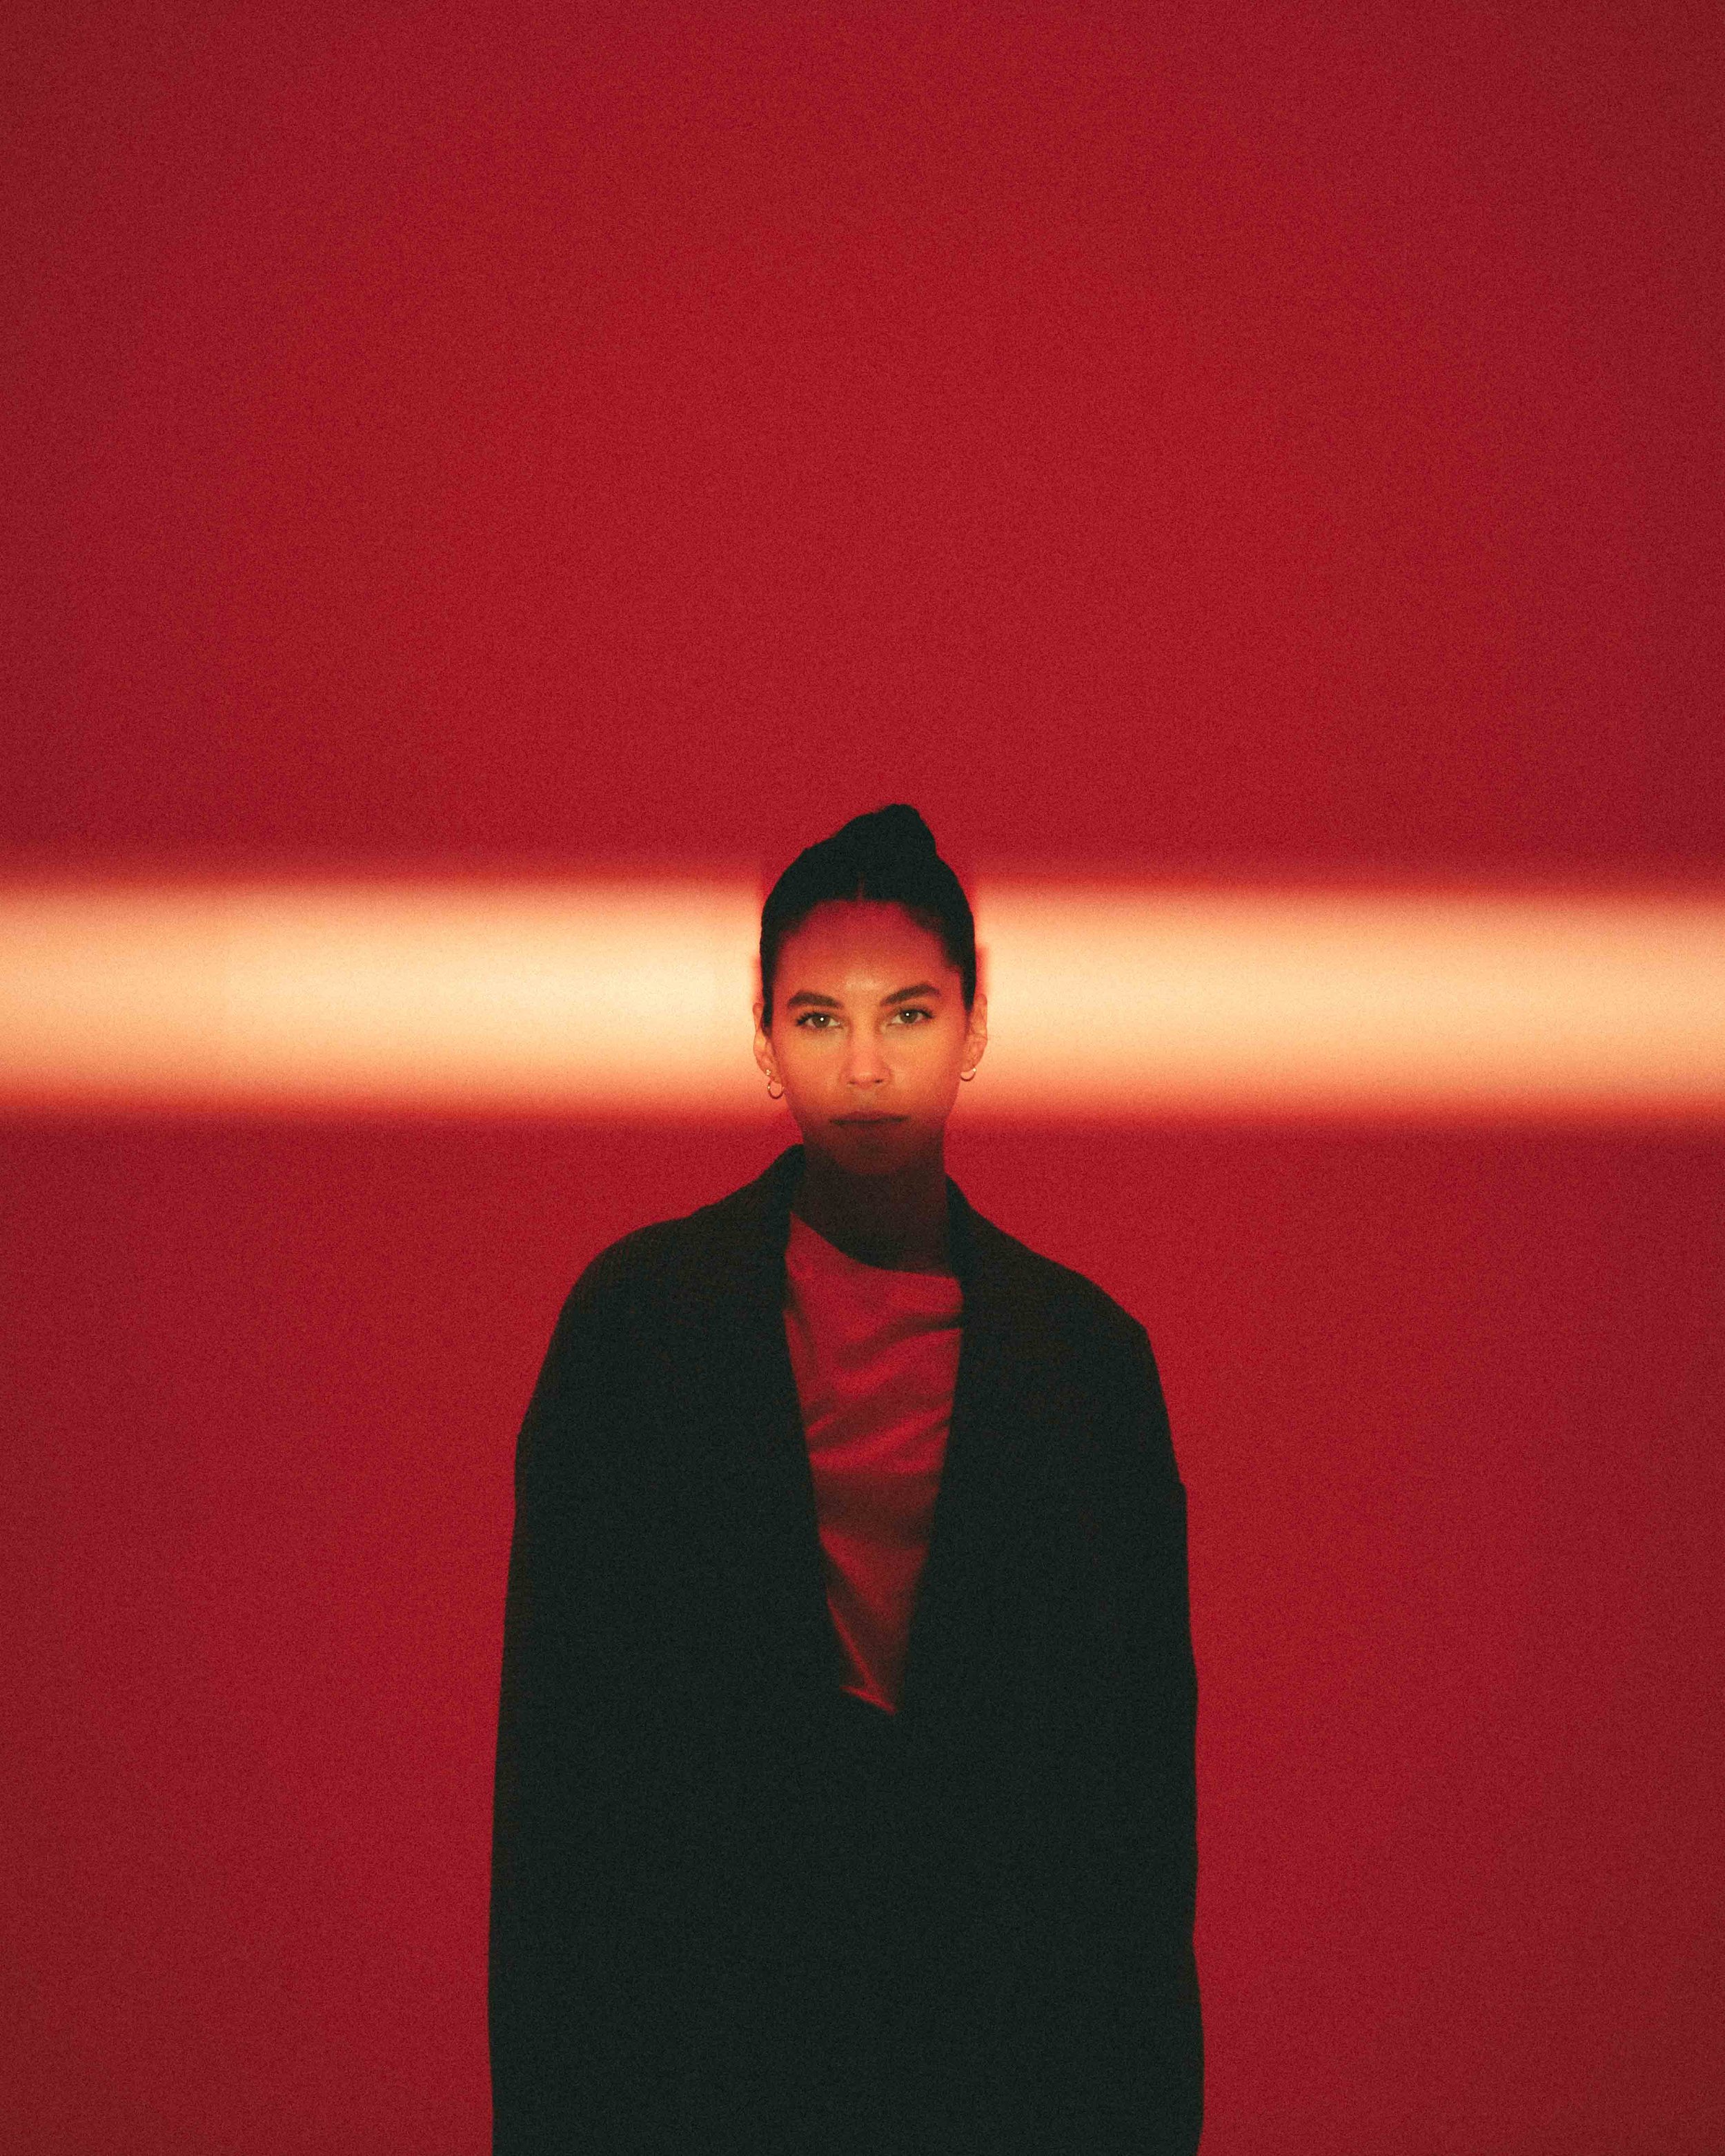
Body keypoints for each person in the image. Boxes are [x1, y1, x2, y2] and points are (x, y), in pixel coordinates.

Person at [489, 804, 1201, 2156]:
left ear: (974, 1029)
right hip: (706, 2051)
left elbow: (1132, 1820)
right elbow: (562, 1782)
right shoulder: (639, 1325)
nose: (865, 1065)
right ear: (761, 1041)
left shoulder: (1085, 1362)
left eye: (908, 1015)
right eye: (818, 1019)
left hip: (998, 2055)